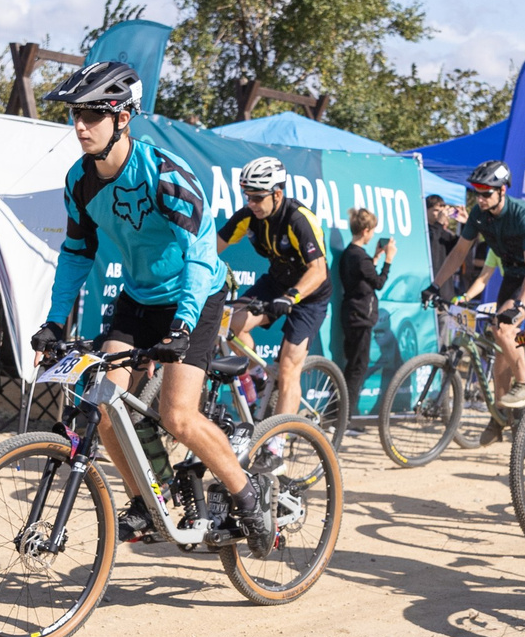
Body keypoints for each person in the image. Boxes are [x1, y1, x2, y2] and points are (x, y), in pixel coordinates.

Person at [29, 61, 265, 547]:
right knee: (102, 405)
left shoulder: (164, 173)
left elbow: (200, 254)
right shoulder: (79, 180)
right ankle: (145, 502)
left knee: (179, 416)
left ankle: (248, 496)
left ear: (122, 118)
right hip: (138, 297)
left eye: (92, 115)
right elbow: (77, 253)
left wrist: (183, 324)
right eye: (76, 115)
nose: (79, 126)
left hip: (194, 295)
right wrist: (54, 322)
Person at [430, 159, 525, 416]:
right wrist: (435, 285)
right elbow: (459, 252)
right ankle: (499, 418)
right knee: (499, 349)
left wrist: (520, 306)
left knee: (503, 328)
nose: (480, 199)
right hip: (513, 274)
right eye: (477, 193)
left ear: (502, 190)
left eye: (486, 193)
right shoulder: (479, 214)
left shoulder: (522, 214)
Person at [216, 157, 331, 420]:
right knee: (228, 322)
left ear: (277, 194)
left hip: (309, 294)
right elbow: (212, 248)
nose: (251, 203)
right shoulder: (249, 216)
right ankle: (258, 376)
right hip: (277, 282)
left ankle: (278, 440)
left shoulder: (298, 219)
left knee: (289, 367)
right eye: (247, 196)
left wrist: (292, 297)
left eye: (257, 197)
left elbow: (318, 271)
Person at [335, 206, 392, 408]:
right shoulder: (360, 257)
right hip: (360, 317)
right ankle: (345, 416)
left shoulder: (350, 254)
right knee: (358, 367)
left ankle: (341, 413)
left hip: (351, 314)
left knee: (352, 365)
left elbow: (364, 277)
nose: (373, 235)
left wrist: (375, 257)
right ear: (365, 230)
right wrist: (388, 260)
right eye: (372, 230)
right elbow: (378, 282)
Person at [423, 193, 456, 278]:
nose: (441, 214)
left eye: (442, 211)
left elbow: (460, 249)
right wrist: (439, 223)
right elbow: (432, 245)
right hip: (428, 277)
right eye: (436, 210)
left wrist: (467, 226)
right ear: (425, 210)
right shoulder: (422, 230)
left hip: (443, 279)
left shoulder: (444, 233)